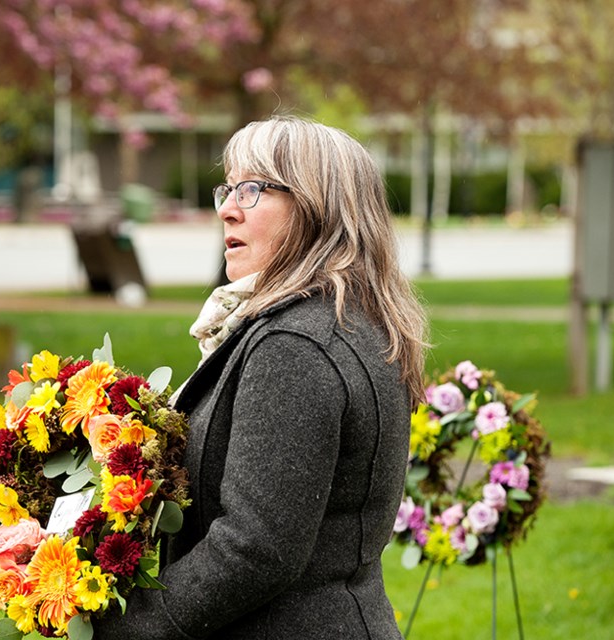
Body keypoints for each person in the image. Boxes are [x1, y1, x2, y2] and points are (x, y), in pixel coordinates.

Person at [96, 115, 427, 639]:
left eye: (251, 189)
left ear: (316, 207)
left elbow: (256, 547)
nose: (227, 209)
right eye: (226, 188)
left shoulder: (296, 344)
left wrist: (127, 628)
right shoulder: (341, 321)